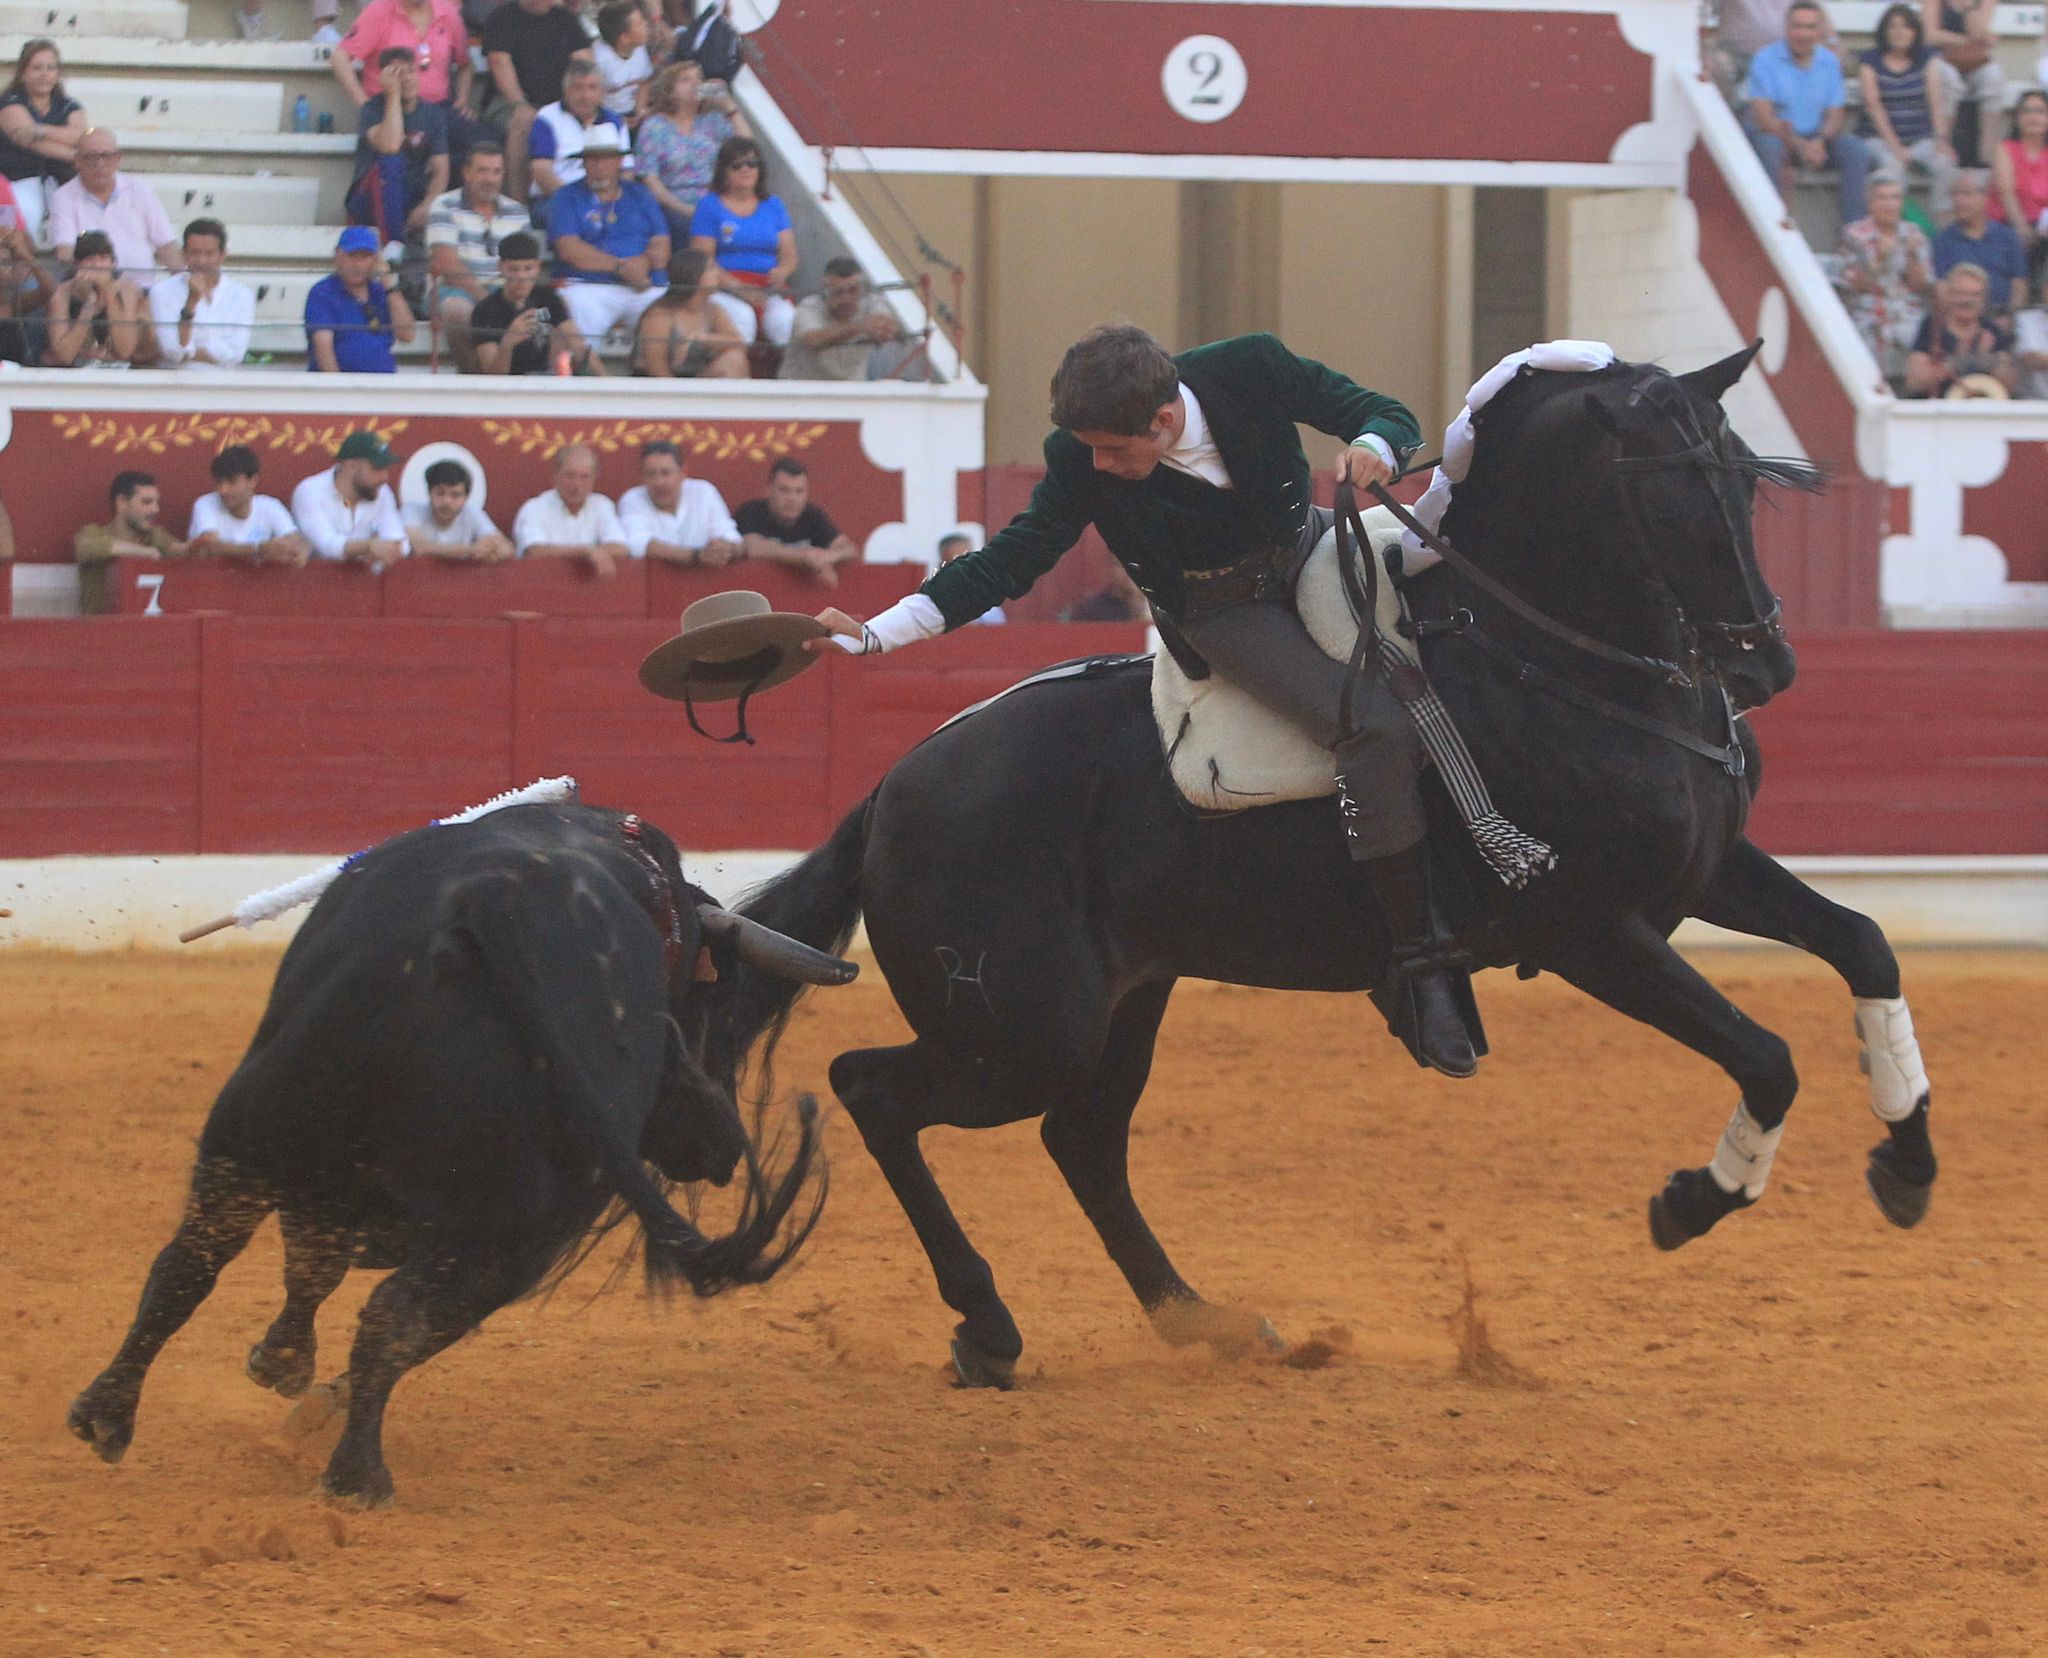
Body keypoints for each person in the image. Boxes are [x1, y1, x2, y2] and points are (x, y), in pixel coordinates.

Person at [803, 325, 1479, 1077]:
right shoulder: (1081, 460)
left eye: (1111, 449)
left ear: (1162, 418)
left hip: (1311, 549)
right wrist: (876, 634)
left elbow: (1380, 413)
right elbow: (1009, 561)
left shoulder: (1250, 367)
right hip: (1221, 611)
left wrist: (1376, 446)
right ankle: (1418, 966)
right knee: (1376, 731)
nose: (1097, 464)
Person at [1743, 1, 1869, 226]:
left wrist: (1820, 141)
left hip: (1816, 138)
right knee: (1768, 145)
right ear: (1786, 28)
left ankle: (1854, 231)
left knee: (1855, 149)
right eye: (1797, 26)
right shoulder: (1765, 59)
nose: (1803, 34)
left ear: (1820, 31)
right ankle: (1774, 224)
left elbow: (1836, 113)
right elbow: (1763, 118)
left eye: (1810, 27)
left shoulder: (1829, 61)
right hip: (1779, 137)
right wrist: (1800, 145)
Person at [547, 139, 670, 343]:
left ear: (619, 162)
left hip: (645, 284)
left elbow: (662, 242)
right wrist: (620, 267)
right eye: (593, 160)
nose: (599, 167)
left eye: (606, 160)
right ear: (583, 163)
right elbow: (569, 249)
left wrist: (644, 263)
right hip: (588, 285)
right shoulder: (566, 196)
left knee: (669, 324)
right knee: (577, 321)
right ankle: (583, 364)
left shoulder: (640, 194)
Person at [425, 141, 531, 370]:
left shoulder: (518, 212)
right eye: (482, 170)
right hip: (455, 290)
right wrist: (489, 303)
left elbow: (527, 262)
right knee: (457, 311)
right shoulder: (444, 205)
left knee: (552, 311)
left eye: (496, 172)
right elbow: (446, 263)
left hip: (506, 293)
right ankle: (474, 377)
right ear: (466, 173)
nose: (489, 179)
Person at [481, 0, 594, 201]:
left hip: (561, 102)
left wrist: (584, 99)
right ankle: (518, 206)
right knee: (526, 122)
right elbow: (499, 63)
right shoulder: (501, 19)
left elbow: (584, 62)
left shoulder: (565, 19)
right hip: (509, 102)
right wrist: (520, 104)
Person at [688, 135, 795, 345]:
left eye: (752, 164)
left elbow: (789, 254)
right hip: (724, 286)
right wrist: (738, 287)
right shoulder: (709, 206)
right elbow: (703, 259)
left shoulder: (774, 205)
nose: (746, 169)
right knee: (742, 321)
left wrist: (782, 271)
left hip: (768, 287)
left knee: (786, 321)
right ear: (724, 171)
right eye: (737, 165)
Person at [1857, 4, 1957, 220]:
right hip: (1879, 139)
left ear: (1915, 31)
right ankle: (1897, 226)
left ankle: (1942, 225)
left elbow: (1935, 99)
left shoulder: (1927, 58)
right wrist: (1896, 147)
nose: (1899, 32)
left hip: (1919, 139)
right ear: (1884, 31)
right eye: (1892, 26)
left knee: (1945, 163)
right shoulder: (1870, 60)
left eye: (1905, 27)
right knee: (1892, 166)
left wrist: (1941, 139)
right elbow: (1874, 105)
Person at [346, 48, 450, 245]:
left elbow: (440, 169)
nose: (407, 78)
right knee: (390, 162)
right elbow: (391, 145)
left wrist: (428, 205)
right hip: (368, 199)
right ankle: (395, 244)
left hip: (411, 196)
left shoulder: (433, 114)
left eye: (411, 71)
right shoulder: (372, 110)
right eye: (398, 74)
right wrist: (393, 94)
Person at [1836, 176, 1934, 386]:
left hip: (1907, 314)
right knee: (1869, 340)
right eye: (1882, 198)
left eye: (1894, 198)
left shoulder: (1914, 233)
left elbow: (1920, 286)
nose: (1889, 204)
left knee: (1927, 340)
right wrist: (1879, 260)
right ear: (1870, 202)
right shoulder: (1854, 235)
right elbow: (1855, 285)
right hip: (1868, 313)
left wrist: (1912, 256)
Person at [49, 130, 181, 284]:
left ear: (118, 158)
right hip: (93, 288)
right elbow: (65, 253)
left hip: (143, 288)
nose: (100, 164)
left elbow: (167, 245)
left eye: (107, 156)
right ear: (78, 161)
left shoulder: (138, 188)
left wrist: (184, 283)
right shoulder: (63, 197)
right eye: (92, 157)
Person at [633, 57, 748, 233]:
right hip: (675, 207)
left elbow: (748, 149)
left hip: (718, 202)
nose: (695, 84)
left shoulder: (714, 122)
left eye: (698, 78)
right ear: (670, 92)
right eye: (685, 80)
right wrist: (686, 210)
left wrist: (729, 106)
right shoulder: (654, 127)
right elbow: (650, 180)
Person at [469, 229, 601, 372]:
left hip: (545, 379)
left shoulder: (548, 298)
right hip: (509, 383)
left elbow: (578, 343)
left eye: (528, 269)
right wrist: (508, 343)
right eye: (513, 269)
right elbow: (492, 376)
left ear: (538, 267)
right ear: (501, 267)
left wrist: (607, 381)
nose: (521, 276)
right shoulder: (485, 310)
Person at [0, 39, 86, 245]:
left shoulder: (68, 105)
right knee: (24, 216)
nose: (44, 74)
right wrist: (78, 156)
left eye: (50, 68)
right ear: (23, 73)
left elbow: (81, 136)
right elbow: (30, 142)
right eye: (37, 68)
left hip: (62, 178)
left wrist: (40, 130)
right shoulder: (9, 102)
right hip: (16, 180)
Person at [779, 257, 913, 380]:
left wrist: (888, 329)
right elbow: (813, 339)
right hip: (802, 390)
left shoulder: (871, 303)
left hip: (850, 391)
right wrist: (861, 327)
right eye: (838, 292)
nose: (846, 298)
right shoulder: (809, 307)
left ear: (862, 288)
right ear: (825, 290)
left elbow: (889, 325)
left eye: (853, 290)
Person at [306, 225, 417, 373]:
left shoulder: (380, 292)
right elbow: (323, 349)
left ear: (376, 259)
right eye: (352, 256)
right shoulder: (323, 293)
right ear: (337, 255)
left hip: (383, 383)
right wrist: (336, 386)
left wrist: (388, 283)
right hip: (341, 384)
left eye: (365, 256)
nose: (358, 264)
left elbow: (407, 335)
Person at [74, 470, 188, 613]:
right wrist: (145, 552)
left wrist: (199, 545)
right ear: (122, 502)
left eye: (156, 502)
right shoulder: (93, 533)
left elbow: (180, 550)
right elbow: (86, 548)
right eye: (146, 502)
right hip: (101, 626)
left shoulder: (155, 536)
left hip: (148, 625)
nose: (155, 509)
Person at [148, 218, 255, 369]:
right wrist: (191, 301)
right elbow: (174, 351)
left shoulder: (242, 295)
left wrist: (190, 352)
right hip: (176, 380)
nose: (201, 261)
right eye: (195, 253)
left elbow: (236, 353)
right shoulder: (162, 291)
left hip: (223, 381)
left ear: (222, 255)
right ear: (184, 253)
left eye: (209, 254)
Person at [290, 430, 410, 564]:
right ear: (351, 466)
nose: (385, 477)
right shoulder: (310, 491)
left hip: (368, 577)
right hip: (318, 577)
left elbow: (401, 543)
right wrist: (369, 546)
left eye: (386, 469)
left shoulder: (382, 491)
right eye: (377, 468)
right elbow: (326, 545)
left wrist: (383, 547)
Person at [334, 0, 471, 117]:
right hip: (389, 110)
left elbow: (465, 64)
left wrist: (462, 100)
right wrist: (365, 105)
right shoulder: (378, 11)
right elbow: (339, 58)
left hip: (438, 111)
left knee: (476, 134)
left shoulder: (448, 13)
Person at [42, 231, 157, 367]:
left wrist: (109, 295)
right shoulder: (62, 294)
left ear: (113, 263)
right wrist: (88, 305)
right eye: (90, 259)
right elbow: (65, 356)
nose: (97, 265)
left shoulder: (127, 290)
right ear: (78, 265)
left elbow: (125, 351)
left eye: (103, 258)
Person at [513, 442, 629, 577]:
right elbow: (534, 551)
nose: (577, 484)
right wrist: (586, 551)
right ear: (555, 475)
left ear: (594, 478)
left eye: (584, 477)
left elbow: (621, 547)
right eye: (570, 475)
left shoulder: (602, 505)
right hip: (542, 582)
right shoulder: (535, 508)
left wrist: (592, 552)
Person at [618, 439, 743, 563]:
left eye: (665, 473)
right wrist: (697, 556)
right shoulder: (632, 499)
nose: (658, 482)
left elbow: (731, 537)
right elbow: (638, 544)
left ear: (683, 473)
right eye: (651, 474)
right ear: (642, 477)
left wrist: (726, 549)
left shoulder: (704, 492)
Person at [736, 456, 859, 581]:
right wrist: (803, 557)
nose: (792, 499)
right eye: (784, 490)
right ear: (769, 490)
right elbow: (753, 548)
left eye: (799, 491)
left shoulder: (812, 515)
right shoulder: (751, 511)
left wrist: (825, 557)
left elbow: (849, 549)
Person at [1905, 260, 2020, 394]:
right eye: (1960, 293)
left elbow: (2011, 384)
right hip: (1941, 403)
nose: (1967, 300)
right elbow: (1914, 382)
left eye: (1975, 295)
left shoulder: (1992, 330)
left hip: (1982, 403)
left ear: (1984, 299)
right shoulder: (1932, 327)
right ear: (1948, 295)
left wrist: (1988, 360)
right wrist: (1958, 362)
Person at [632, 246, 746, 375]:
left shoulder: (712, 309)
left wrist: (701, 338)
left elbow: (738, 342)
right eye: (711, 268)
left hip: (695, 380)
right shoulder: (660, 315)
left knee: (735, 358)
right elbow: (655, 367)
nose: (718, 274)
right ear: (694, 274)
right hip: (657, 383)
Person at [187, 445, 310, 564]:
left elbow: (294, 539)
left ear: (253, 480)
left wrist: (298, 549)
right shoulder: (205, 504)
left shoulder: (270, 506)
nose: (223, 490)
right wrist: (259, 549)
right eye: (219, 482)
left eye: (232, 481)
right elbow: (210, 546)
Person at [528, 61, 629, 205]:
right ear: (566, 91)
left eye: (592, 87)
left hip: (607, 202)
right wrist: (574, 203)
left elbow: (626, 171)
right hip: (555, 200)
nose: (585, 95)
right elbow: (541, 170)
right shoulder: (547, 118)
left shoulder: (616, 121)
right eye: (578, 88)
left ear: (602, 92)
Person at [1932, 170, 2028, 313]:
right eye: (1954, 195)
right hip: (1962, 316)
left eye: (1966, 194)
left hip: (2003, 314)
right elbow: (1942, 288)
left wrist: (2010, 314)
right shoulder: (1942, 241)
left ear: (1984, 197)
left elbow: (2019, 283)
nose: (1958, 201)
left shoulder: (2007, 237)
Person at [1922, 0, 2004, 166]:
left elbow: (1978, 32)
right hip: (1942, 57)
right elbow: (1930, 35)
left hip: (1975, 59)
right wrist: (1969, 41)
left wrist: (1967, 7)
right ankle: (1943, 149)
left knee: (1993, 77)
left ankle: (1987, 157)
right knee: (1949, 80)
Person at [1990, 88, 2048, 294]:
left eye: (2040, 111)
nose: (2033, 117)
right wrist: (2022, 228)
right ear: (2017, 117)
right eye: (2027, 111)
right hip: (2008, 222)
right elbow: (2006, 193)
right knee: (2015, 240)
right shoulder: (2005, 149)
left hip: (2043, 226)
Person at [404, 457, 514, 560]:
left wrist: (490, 550)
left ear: (466, 497)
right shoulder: (412, 511)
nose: (446, 501)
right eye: (440, 493)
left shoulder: (472, 513)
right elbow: (420, 547)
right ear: (429, 492)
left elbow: (506, 548)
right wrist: (470, 550)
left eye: (455, 495)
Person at [593, 2, 654, 124]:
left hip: (634, 112)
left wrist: (640, 112)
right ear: (625, 38)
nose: (645, 24)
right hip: (605, 118)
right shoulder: (599, 59)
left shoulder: (639, 47)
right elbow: (593, 99)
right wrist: (619, 121)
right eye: (639, 24)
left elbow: (645, 82)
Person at [937, 531, 1005, 624]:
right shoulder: (935, 602)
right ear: (942, 565)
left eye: (967, 560)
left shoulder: (988, 604)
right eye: (955, 563)